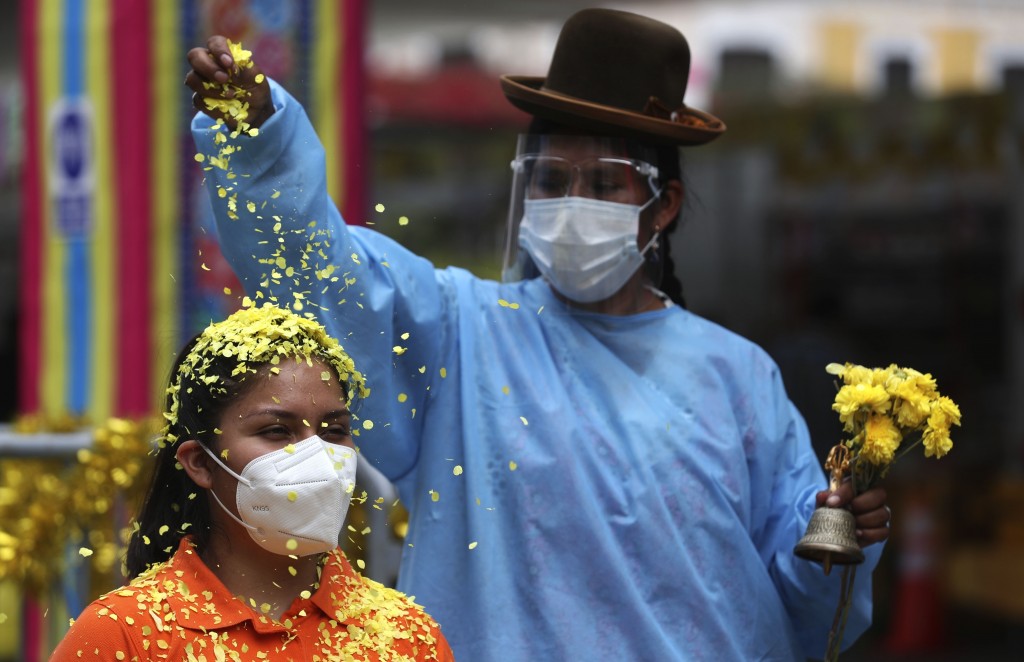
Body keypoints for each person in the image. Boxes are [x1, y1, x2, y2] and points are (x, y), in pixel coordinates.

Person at [185, 9, 892, 660]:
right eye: (551, 179)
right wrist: (260, 140)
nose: (571, 203)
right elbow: (319, 269)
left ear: (662, 205)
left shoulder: (741, 377)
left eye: (605, 183)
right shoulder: (457, 333)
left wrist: (837, 536)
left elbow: (808, 607)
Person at [50, 304, 454, 661]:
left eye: (334, 431)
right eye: (278, 431)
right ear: (199, 463)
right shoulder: (123, 633)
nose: (318, 457)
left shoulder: (407, 635)